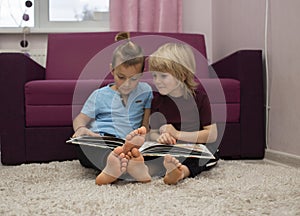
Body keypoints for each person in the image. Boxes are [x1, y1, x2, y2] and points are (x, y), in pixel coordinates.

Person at [72, 32, 153, 183]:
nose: (127, 84)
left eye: (134, 78)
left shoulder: (146, 91)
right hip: (101, 138)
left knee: (138, 151)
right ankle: (111, 165)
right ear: (112, 69)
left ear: (142, 74)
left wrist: (142, 137)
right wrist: (80, 129)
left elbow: (145, 126)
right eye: (121, 77)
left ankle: (131, 165)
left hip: (128, 143)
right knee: (84, 146)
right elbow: (80, 119)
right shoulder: (99, 95)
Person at [148, 43, 219, 185]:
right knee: (151, 154)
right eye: (154, 75)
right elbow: (153, 132)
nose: (157, 81)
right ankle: (147, 169)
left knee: (203, 158)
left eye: (163, 76)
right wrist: (161, 137)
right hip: (169, 150)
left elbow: (212, 135)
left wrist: (177, 134)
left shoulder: (199, 98)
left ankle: (180, 172)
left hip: (193, 148)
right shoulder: (156, 100)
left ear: (182, 75)